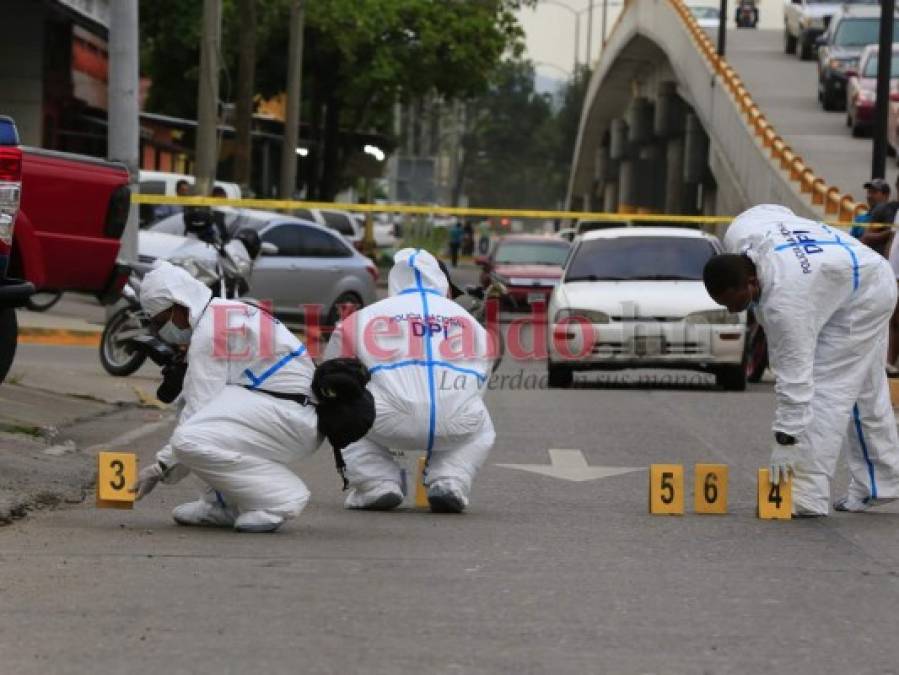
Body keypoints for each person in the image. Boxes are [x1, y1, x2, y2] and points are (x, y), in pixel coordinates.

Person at [703, 204, 899, 516]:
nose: (732, 310)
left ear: (751, 283)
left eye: (734, 301)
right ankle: (882, 482)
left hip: (864, 294)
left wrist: (786, 442)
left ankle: (807, 493)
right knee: (864, 389)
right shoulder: (742, 230)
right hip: (854, 270)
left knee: (828, 392)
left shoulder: (784, 304)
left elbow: (795, 383)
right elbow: (774, 209)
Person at [131, 261, 323, 533]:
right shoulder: (222, 313)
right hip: (290, 412)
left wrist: (161, 466)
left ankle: (279, 497)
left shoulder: (210, 331)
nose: (163, 331)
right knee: (195, 423)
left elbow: (200, 410)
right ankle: (220, 504)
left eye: (162, 321)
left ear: (180, 305)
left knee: (190, 437)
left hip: (287, 415)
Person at [323, 248, 495, 513]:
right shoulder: (468, 321)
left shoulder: (366, 317)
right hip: (456, 419)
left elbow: (331, 372)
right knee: (481, 427)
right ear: (441, 282)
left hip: (386, 418)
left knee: (341, 410)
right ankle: (450, 481)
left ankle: (377, 482)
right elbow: (483, 373)